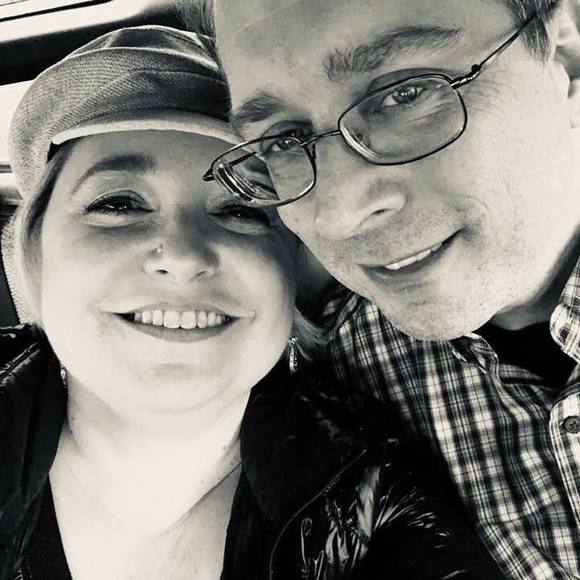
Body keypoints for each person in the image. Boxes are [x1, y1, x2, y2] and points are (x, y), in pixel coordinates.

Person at [0, 22, 504, 580]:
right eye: (118, 204)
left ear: (293, 270)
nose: (182, 256)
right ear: (35, 252)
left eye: (241, 210)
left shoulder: (384, 515)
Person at [206, 0, 580, 577]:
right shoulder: (333, 397)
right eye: (283, 141)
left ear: (565, 59)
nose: (337, 214)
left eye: (403, 94)